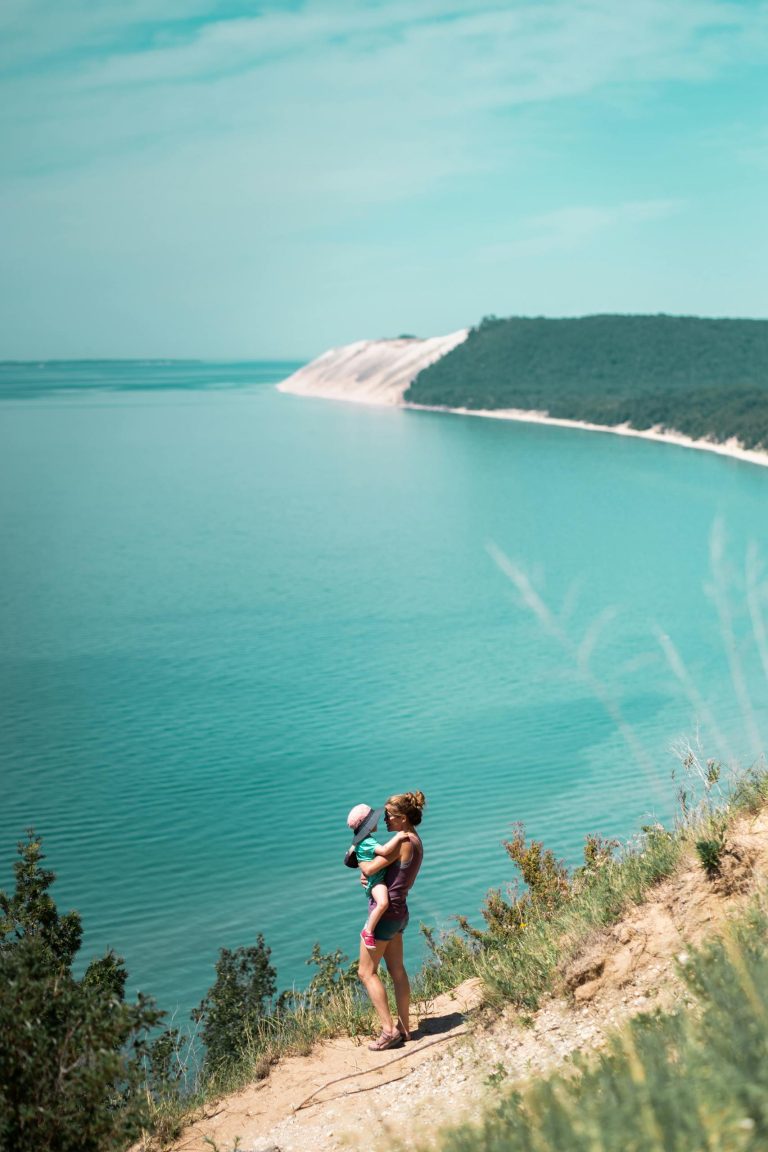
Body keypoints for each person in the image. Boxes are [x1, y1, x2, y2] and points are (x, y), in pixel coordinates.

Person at [355, 790, 425, 1051]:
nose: (384, 820)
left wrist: (358, 854)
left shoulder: (402, 840)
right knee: (397, 971)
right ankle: (405, 1028)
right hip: (400, 911)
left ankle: (388, 1031)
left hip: (385, 914)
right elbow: (389, 873)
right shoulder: (415, 841)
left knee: (366, 972)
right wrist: (372, 879)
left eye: (389, 815)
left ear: (403, 818)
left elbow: (370, 868)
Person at [346, 803, 408, 949]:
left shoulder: (363, 841)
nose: (378, 821)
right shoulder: (367, 841)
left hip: (375, 879)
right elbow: (385, 851)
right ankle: (368, 931)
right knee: (383, 903)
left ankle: (368, 931)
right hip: (376, 881)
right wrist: (399, 837)